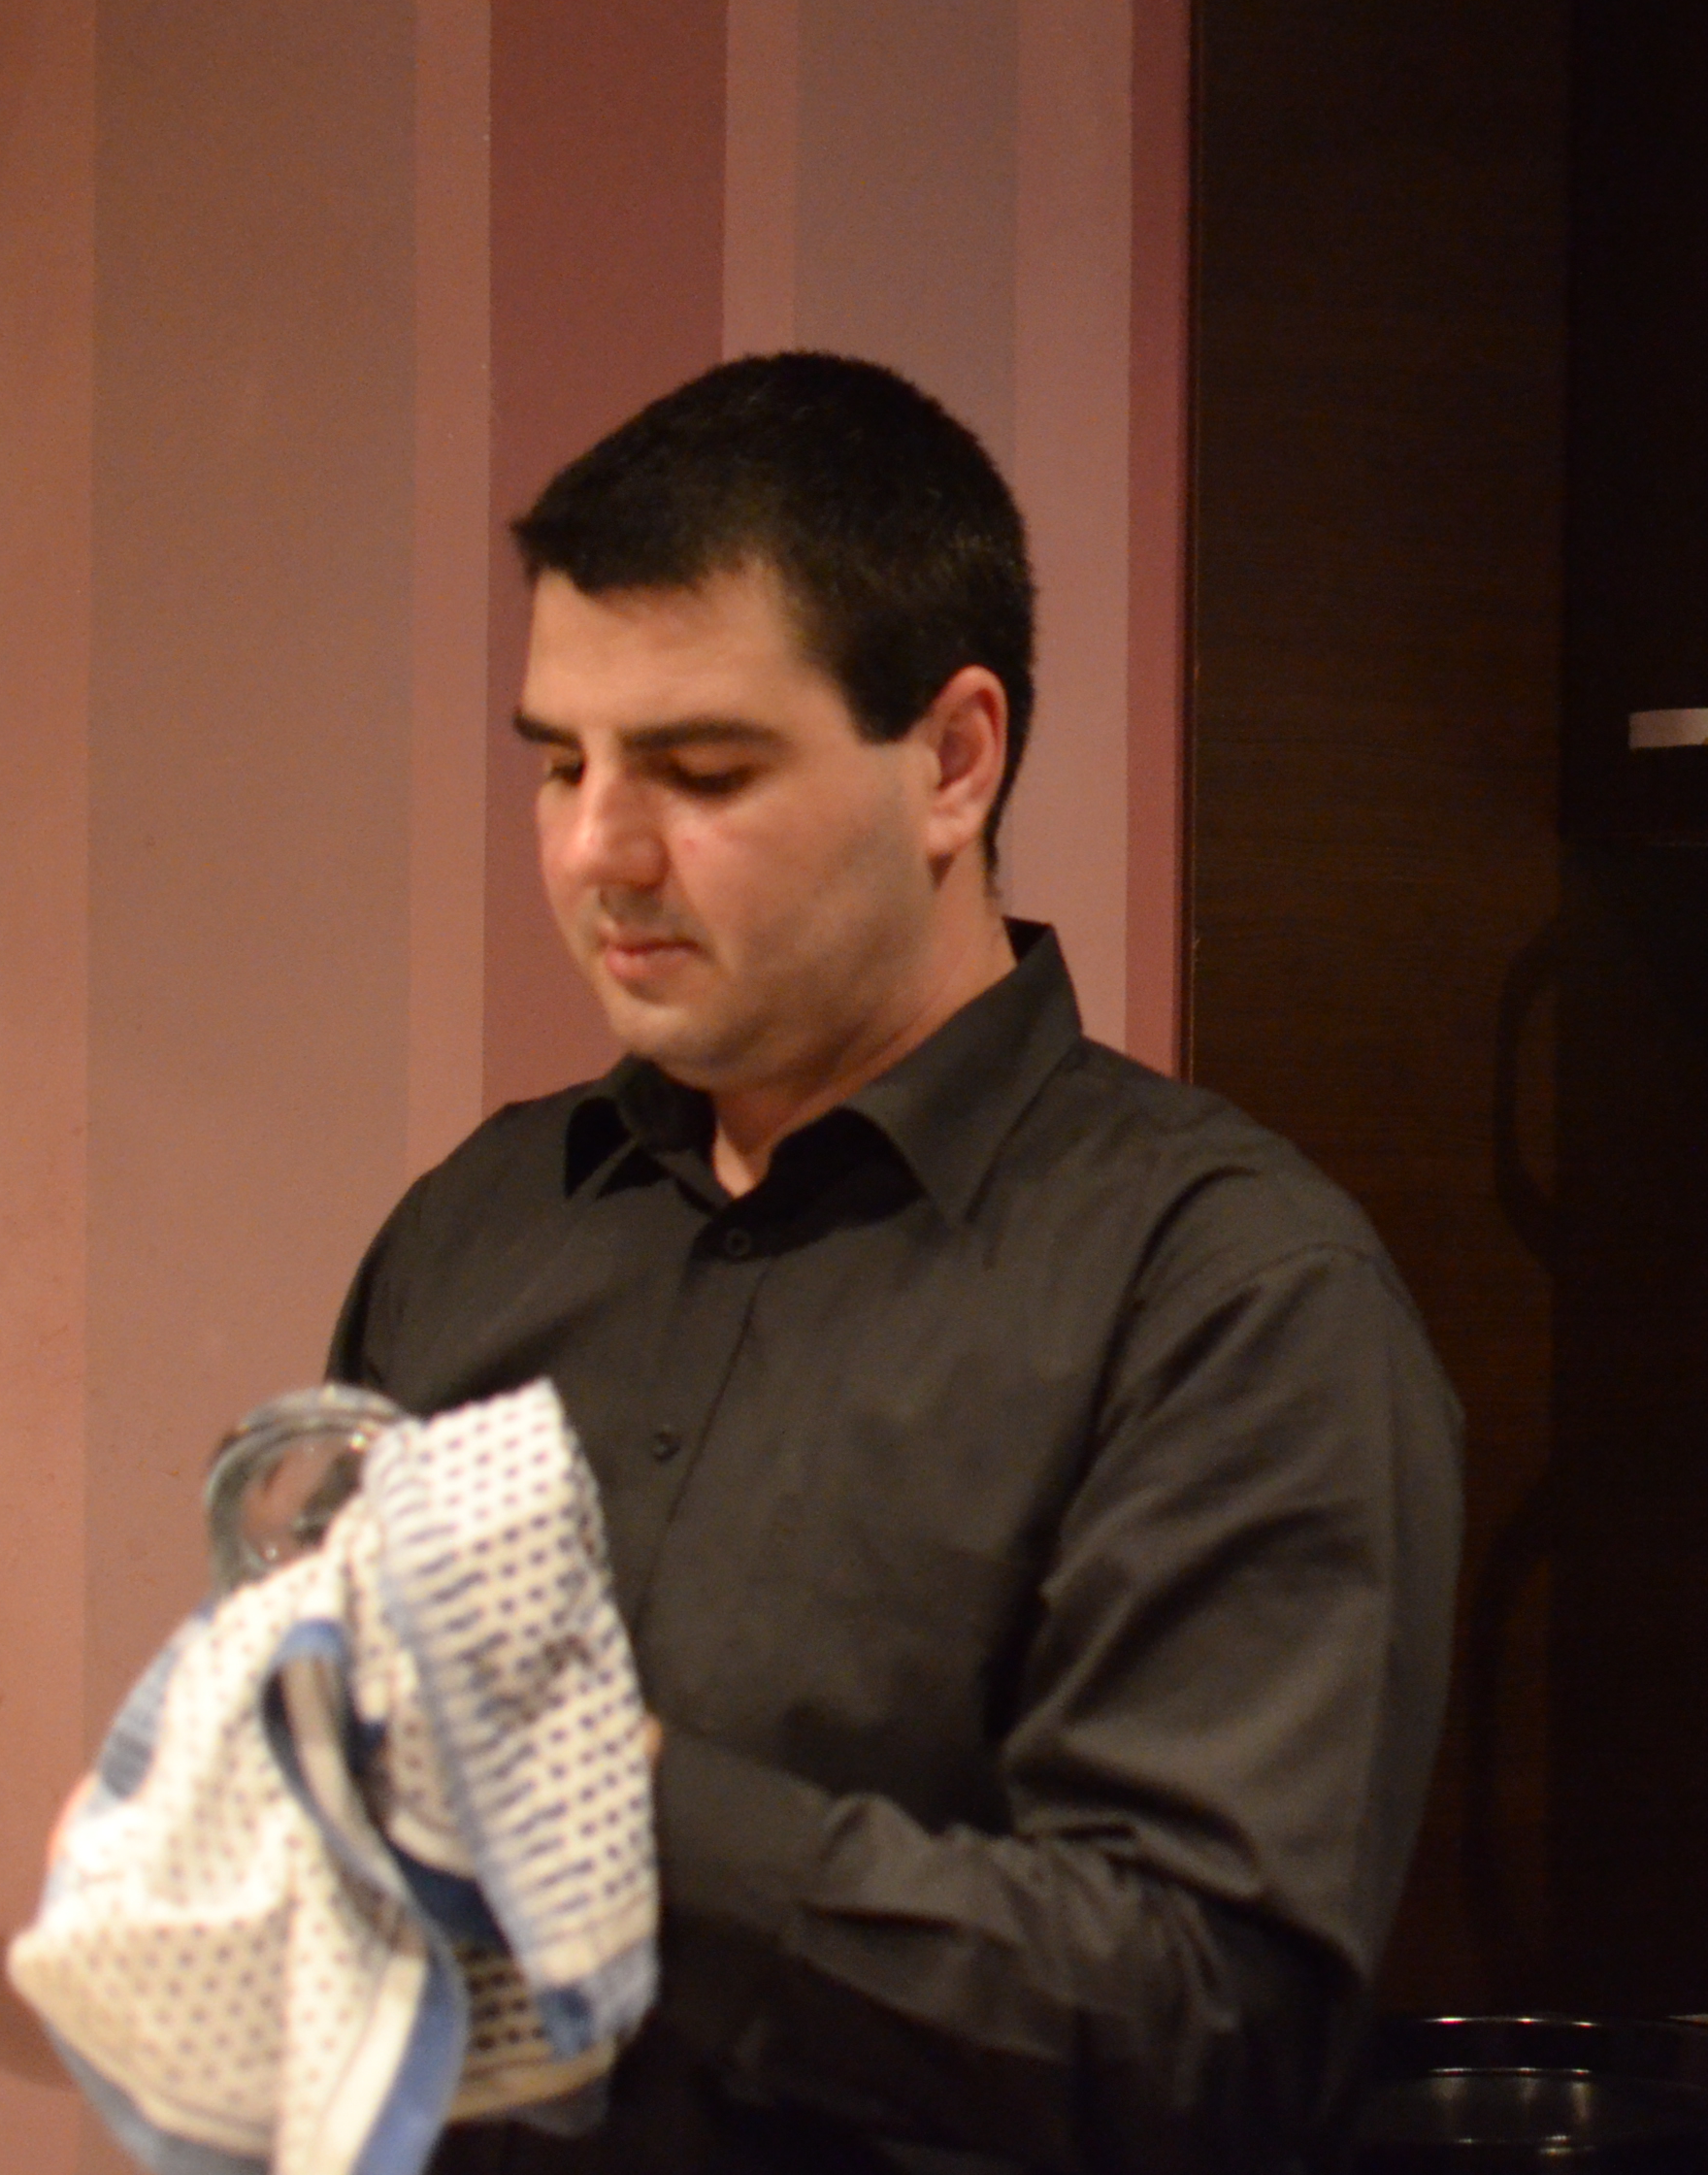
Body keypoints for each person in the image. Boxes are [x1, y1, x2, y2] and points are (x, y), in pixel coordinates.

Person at [328, 353, 1462, 2175]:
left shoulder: (1232, 1299)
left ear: (952, 762)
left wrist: (614, 1810)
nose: (598, 852)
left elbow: (1201, 2031)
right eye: (560, 762)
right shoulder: (474, 1228)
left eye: (699, 770)